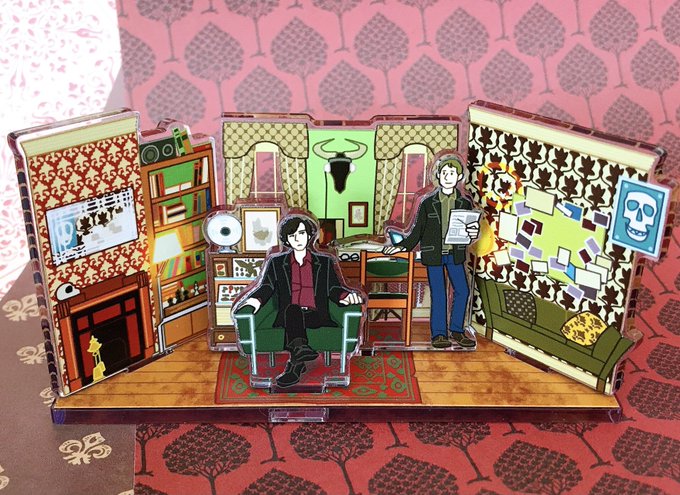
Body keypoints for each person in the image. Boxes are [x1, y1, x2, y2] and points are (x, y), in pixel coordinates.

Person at [241, 215, 362, 387]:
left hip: (316, 315)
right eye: (292, 235)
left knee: (294, 315)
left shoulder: (324, 262)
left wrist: (346, 297)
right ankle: (298, 358)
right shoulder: (277, 262)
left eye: (302, 233)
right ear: (286, 240)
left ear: (309, 235)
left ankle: (297, 358)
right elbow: (267, 286)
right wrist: (255, 300)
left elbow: (334, 288)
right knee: (293, 310)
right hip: (288, 315)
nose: (298, 239)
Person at [384, 151, 479, 349]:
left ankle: (457, 330)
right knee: (439, 294)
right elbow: (416, 231)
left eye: (451, 173)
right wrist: (400, 247)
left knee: (462, 290)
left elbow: (471, 229)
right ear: (438, 175)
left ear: (459, 176)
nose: (447, 177)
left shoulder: (464, 202)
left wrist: (473, 232)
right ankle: (439, 335)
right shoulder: (427, 202)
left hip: (455, 253)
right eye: (444, 173)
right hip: (434, 254)